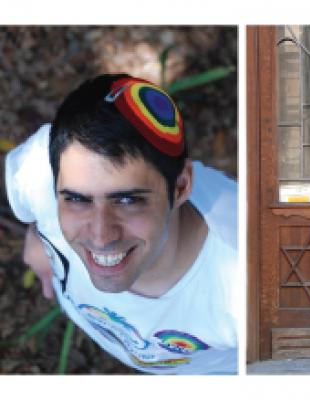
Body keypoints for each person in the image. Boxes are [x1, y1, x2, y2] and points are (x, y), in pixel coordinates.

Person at [5, 74, 238, 374]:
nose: (101, 237)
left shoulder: (249, 288)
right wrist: (38, 238)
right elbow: (32, 200)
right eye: (76, 199)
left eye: (128, 201)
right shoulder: (38, 170)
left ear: (180, 187)